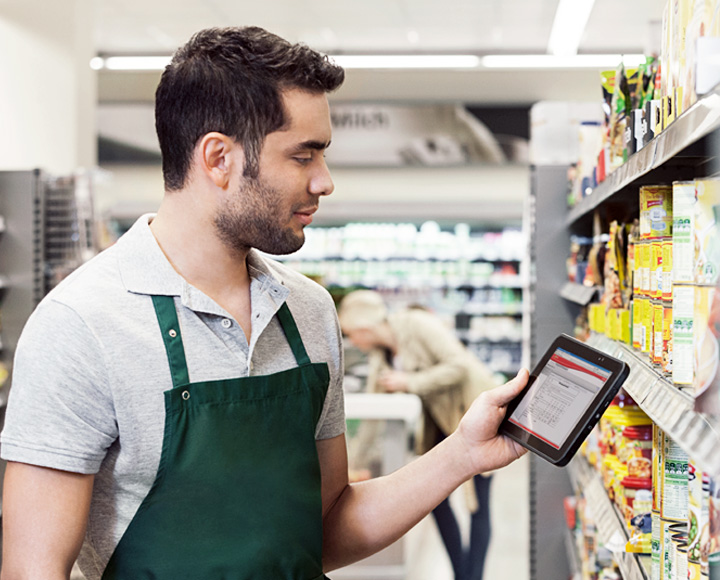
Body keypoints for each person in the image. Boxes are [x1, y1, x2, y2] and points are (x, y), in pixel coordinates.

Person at [0, 26, 529, 580]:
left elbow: (324, 526)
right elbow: (34, 571)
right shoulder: (80, 325)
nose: (324, 182)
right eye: (304, 156)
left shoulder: (309, 311)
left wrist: (462, 453)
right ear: (218, 158)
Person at [338, 290, 500, 580]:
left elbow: (459, 365)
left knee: (478, 502)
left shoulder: (415, 324)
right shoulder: (380, 357)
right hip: (439, 421)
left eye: (352, 335)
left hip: (477, 410)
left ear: (364, 328)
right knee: (434, 499)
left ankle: (472, 577)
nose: (354, 343)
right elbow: (373, 418)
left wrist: (410, 381)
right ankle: (462, 574)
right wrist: (352, 465)